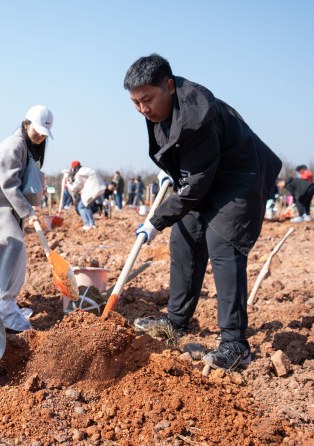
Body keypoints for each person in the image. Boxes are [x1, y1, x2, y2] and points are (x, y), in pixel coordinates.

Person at [125, 54, 281, 371]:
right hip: (206, 174)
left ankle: (235, 343)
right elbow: (182, 157)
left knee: (222, 244)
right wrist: (172, 171)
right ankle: (176, 321)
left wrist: (155, 221)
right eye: (136, 102)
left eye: (147, 99)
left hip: (238, 177)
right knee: (183, 238)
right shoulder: (159, 110)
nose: (143, 109)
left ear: (169, 86)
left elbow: (196, 185)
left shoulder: (197, 113)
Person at [0, 105, 53, 332]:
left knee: (10, 256)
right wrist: (29, 213)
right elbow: (9, 185)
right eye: (36, 131)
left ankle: (4, 305)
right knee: (12, 253)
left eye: (43, 134)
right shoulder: (13, 146)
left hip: (8, 209)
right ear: (25, 124)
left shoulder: (25, 146)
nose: (39, 137)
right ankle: (6, 310)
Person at [67, 161, 106, 230]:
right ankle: (92, 224)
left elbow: (76, 187)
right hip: (98, 188)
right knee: (85, 206)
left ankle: (87, 224)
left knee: (81, 206)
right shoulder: (86, 171)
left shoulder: (80, 174)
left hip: (93, 190)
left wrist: (68, 185)